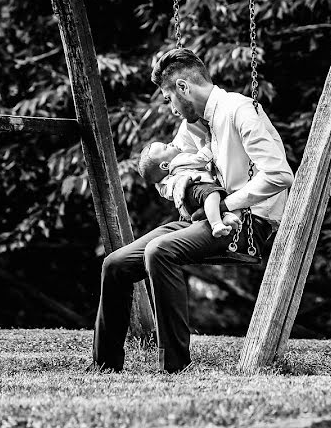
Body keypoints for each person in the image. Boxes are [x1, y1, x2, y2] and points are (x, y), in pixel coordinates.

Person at [92, 48, 294, 373]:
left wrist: (226, 202)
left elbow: (281, 175)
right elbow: (165, 172)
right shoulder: (192, 127)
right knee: (115, 264)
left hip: (247, 221)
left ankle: (174, 367)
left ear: (184, 88)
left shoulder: (238, 111)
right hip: (203, 217)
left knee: (160, 252)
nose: (171, 109)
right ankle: (104, 365)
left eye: (169, 98)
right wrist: (180, 186)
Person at [137, 141, 239, 238]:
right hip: (199, 188)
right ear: (165, 165)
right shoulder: (178, 160)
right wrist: (210, 142)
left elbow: (168, 192)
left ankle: (225, 218)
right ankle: (216, 224)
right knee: (212, 195)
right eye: (166, 147)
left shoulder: (161, 186)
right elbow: (201, 159)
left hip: (187, 208)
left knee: (213, 203)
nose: (171, 143)